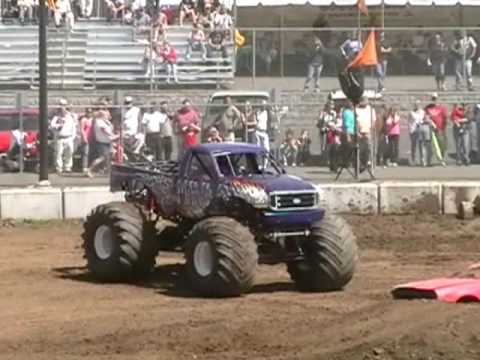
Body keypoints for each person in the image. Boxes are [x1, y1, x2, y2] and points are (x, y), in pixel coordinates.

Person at [87, 105, 117, 178]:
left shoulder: (106, 121)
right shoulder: (99, 121)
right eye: (106, 114)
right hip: (102, 142)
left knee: (111, 155)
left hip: (108, 142)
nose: (108, 115)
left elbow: (110, 130)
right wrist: (115, 136)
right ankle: (90, 170)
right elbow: (105, 131)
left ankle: (107, 170)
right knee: (102, 157)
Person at [50, 98, 77, 174]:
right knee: (59, 153)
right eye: (61, 106)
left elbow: (73, 127)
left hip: (69, 137)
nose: (62, 108)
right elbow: (52, 126)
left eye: (64, 106)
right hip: (59, 138)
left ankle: (68, 167)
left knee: (69, 152)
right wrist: (58, 126)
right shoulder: (56, 117)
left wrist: (72, 137)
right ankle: (59, 168)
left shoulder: (70, 117)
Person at [425, 92, 448, 164]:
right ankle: (429, 161)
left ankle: (442, 159)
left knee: (442, 145)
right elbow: (425, 117)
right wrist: (430, 122)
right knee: (431, 146)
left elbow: (445, 118)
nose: (434, 100)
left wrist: (444, 128)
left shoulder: (442, 108)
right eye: (433, 98)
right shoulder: (427, 108)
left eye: (435, 98)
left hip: (440, 129)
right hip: (430, 130)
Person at [355, 97, 377, 172]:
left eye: (365, 101)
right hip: (359, 132)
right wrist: (357, 131)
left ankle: (368, 163)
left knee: (368, 148)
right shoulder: (357, 109)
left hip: (368, 131)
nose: (363, 102)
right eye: (362, 101)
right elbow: (356, 121)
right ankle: (360, 165)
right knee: (359, 149)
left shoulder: (371, 110)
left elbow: (374, 121)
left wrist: (371, 130)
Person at [408, 100, 425, 166]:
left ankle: (422, 160)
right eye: (416, 104)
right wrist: (410, 129)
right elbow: (409, 121)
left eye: (418, 104)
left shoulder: (422, 112)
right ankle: (413, 160)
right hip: (413, 130)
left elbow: (424, 120)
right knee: (413, 146)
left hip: (420, 130)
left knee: (421, 145)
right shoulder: (411, 112)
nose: (417, 105)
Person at [79, 108, 94, 173]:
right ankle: (84, 167)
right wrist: (84, 138)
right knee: (85, 153)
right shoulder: (83, 120)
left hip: (92, 138)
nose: (89, 113)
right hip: (86, 137)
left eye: (90, 112)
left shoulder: (93, 119)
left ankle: (91, 167)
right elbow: (82, 129)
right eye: (88, 112)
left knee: (91, 153)